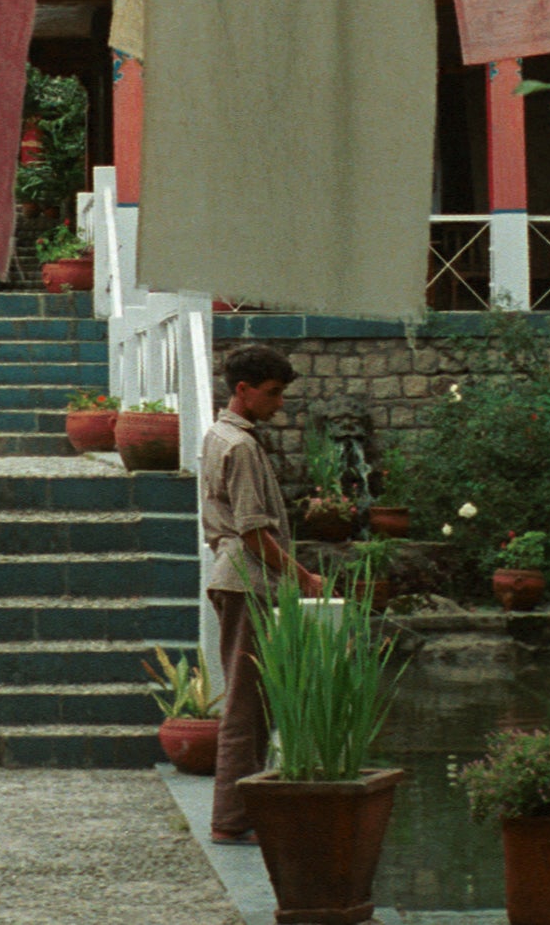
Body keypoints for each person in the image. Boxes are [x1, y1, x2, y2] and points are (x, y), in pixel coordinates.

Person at [201, 341, 320, 843]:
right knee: (246, 707)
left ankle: (245, 811)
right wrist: (304, 577)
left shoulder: (218, 434)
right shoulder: (243, 446)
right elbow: (253, 531)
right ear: (243, 391)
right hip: (246, 580)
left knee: (258, 702)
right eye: (272, 393)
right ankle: (230, 818)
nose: (279, 403)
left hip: (236, 578)